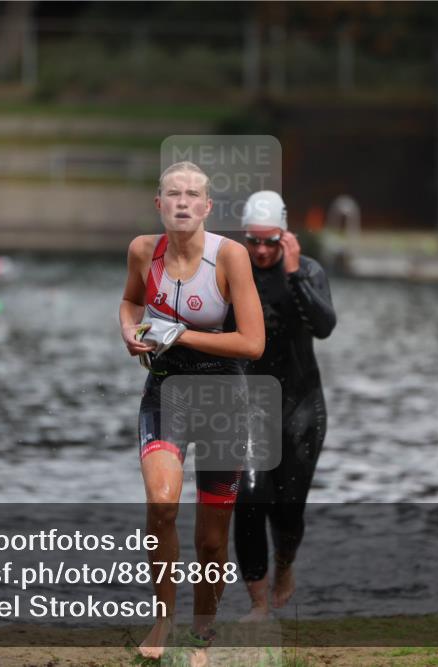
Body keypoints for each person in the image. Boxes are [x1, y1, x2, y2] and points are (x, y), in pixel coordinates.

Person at [119, 161, 265, 665]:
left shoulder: (231, 257)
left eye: (192, 195)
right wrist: (128, 332)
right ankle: (164, 617)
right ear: (159, 205)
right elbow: (129, 303)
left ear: (207, 207)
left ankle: (203, 635)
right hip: (166, 393)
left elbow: (252, 343)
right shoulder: (143, 250)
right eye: (173, 194)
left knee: (209, 539)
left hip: (225, 400)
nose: (182, 202)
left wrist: (180, 334)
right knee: (161, 504)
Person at [230, 191, 336, 621]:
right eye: (252, 241)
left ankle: (286, 563)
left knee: (289, 508)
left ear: (285, 236)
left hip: (301, 406)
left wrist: (294, 277)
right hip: (248, 407)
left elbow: (325, 326)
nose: (259, 250)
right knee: (251, 498)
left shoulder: (308, 271)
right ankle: (257, 604)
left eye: (269, 241)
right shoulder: (232, 271)